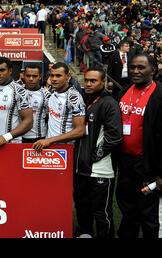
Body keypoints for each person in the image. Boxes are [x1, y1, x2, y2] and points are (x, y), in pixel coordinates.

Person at [116, 54, 162, 238]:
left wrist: (160, 173)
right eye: (133, 67)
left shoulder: (159, 94)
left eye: (141, 67)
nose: (135, 71)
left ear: (154, 70)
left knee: (148, 214)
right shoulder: (124, 91)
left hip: (148, 165)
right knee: (128, 210)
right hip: (125, 163)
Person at [74, 68, 123, 238]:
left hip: (100, 169)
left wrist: (93, 156)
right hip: (81, 169)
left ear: (103, 82)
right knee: (82, 207)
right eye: (86, 80)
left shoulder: (109, 103)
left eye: (93, 81)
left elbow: (114, 136)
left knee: (102, 213)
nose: (88, 83)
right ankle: (85, 234)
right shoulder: (84, 101)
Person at [33, 62, 85, 152]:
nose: (54, 79)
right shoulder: (51, 93)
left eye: (58, 76)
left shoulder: (74, 98)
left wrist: (49, 140)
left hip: (66, 149)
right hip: (48, 146)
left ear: (67, 77)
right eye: (52, 75)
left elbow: (80, 130)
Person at [0, 57, 33, 147]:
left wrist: (6, 137)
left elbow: (28, 121)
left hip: (11, 144)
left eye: (2, 70)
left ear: (10, 71)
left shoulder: (19, 91)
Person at [21, 64, 51, 143]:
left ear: (40, 77)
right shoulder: (17, 92)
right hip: (18, 137)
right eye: (28, 76)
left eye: (34, 76)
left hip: (39, 137)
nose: (31, 79)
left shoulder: (46, 94)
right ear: (24, 76)